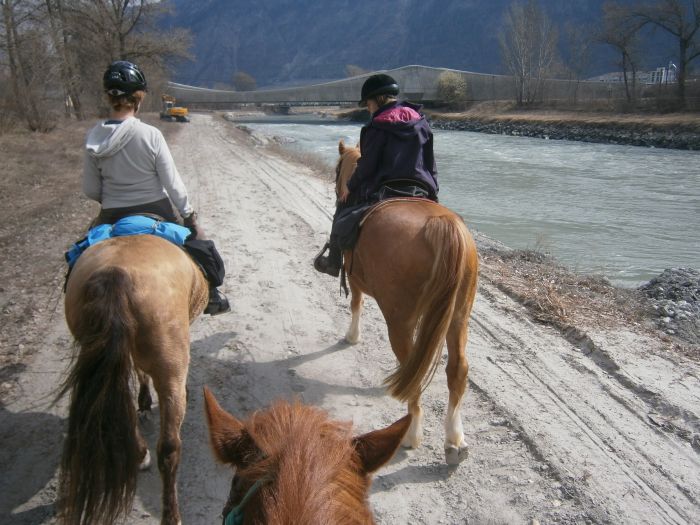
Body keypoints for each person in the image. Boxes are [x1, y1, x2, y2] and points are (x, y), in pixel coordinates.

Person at [82, 60, 230, 315]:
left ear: (109, 96)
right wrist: (189, 216)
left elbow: (91, 190)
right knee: (200, 246)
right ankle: (213, 297)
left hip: (111, 213)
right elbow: (172, 184)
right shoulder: (150, 135)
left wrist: (113, 198)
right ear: (138, 97)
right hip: (156, 209)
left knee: (80, 257)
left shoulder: (94, 137)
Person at [313, 73, 439, 277]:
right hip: (421, 187)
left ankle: (334, 262)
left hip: (386, 189)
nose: (368, 108)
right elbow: (430, 161)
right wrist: (433, 190)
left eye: (368, 104)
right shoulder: (421, 121)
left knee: (342, 209)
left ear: (377, 99)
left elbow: (367, 166)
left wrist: (350, 187)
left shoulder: (377, 125)